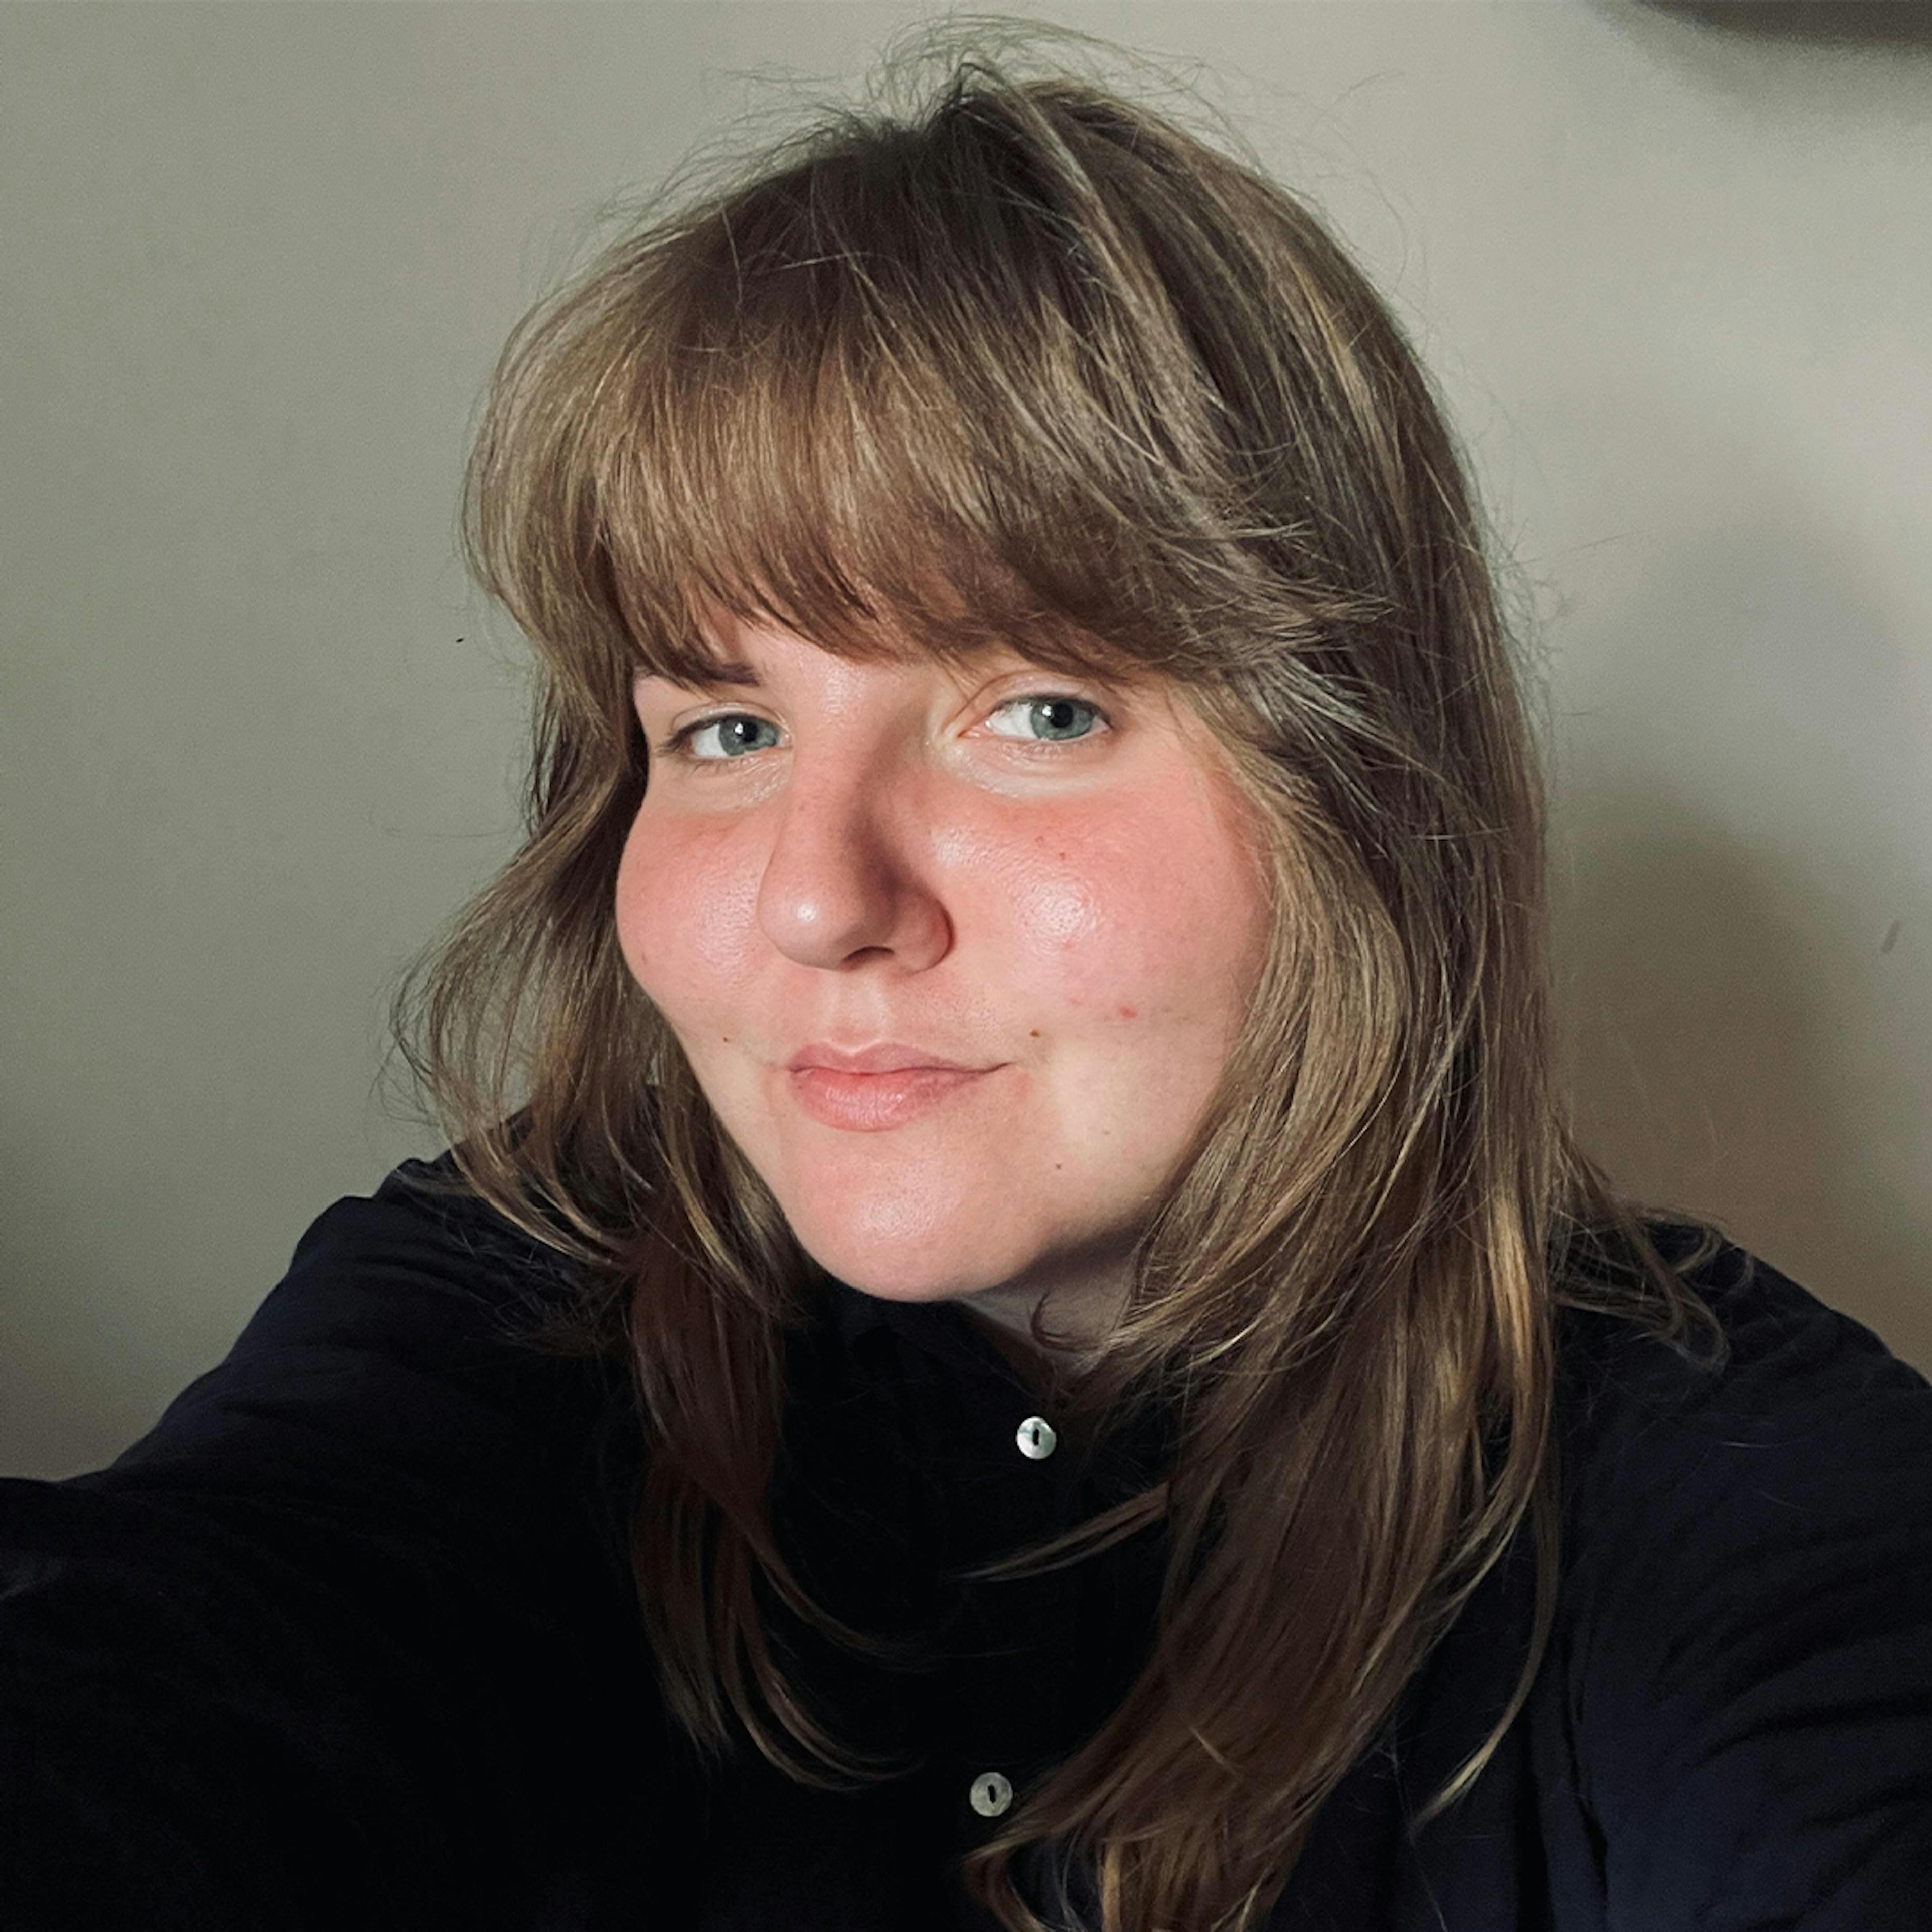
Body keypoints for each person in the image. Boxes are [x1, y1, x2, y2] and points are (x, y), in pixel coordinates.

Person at [3, 29, 1929, 1932]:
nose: (815, 901)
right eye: (728, 730)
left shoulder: (1728, 1490)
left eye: (1041, 709)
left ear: (1364, 792)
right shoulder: (503, 1329)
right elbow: (176, 1668)